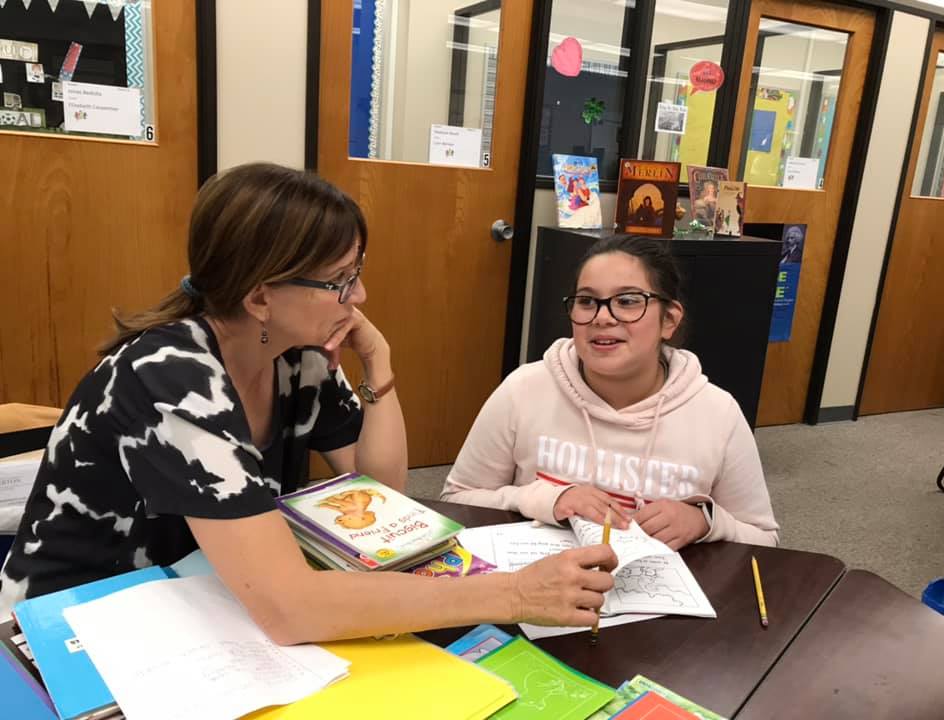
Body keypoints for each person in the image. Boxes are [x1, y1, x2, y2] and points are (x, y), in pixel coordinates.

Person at [0, 163, 617, 639]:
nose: (361, 292)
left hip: (200, 598)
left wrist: (381, 370)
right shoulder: (171, 376)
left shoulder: (294, 357)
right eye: (342, 280)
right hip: (78, 628)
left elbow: (381, 494)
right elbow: (288, 607)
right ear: (261, 297)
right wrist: (513, 595)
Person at [442, 235, 779, 549]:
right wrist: (547, 499)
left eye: (628, 301)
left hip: (663, 598)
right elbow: (457, 500)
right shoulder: (524, 389)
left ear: (669, 319)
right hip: (536, 588)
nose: (602, 318)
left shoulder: (717, 413)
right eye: (587, 301)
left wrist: (704, 522)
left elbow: (764, 538)